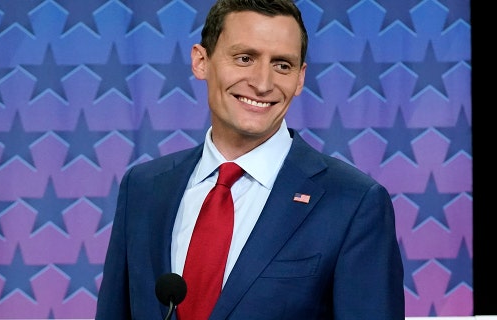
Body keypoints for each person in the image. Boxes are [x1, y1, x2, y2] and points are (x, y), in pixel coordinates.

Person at [95, 0, 405, 319]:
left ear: (300, 78)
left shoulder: (352, 202)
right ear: (201, 61)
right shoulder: (143, 188)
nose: (262, 83)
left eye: (282, 65)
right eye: (245, 58)